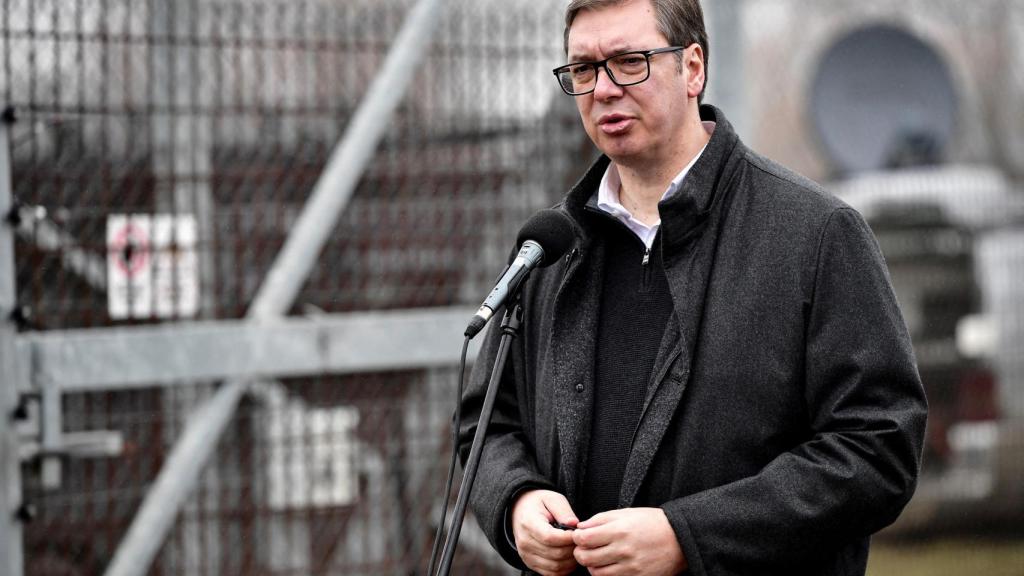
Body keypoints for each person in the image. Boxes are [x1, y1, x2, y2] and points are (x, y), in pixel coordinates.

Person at [458, 0, 928, 574]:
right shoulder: (551, 247)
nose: (603, 89)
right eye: (583, 69)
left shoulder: (817, 235)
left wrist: (689, 537)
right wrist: (516, 502)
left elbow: (878, 447)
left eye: (629, 61)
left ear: (694, 69)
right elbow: (487, 426)